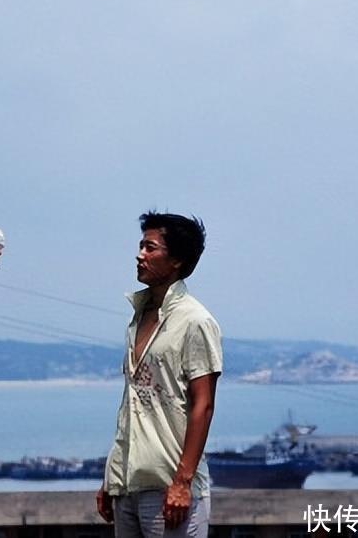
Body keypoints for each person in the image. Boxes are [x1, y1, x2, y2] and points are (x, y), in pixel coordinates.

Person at [97, 212, 223, 538]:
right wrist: (111, 477)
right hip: (127, 482)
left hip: (170, 486)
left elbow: (203, 404)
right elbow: (133, 405)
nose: (140, 255)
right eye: (141, 246)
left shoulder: (195, 321)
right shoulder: (138, 316)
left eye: (150, 248)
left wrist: (182, 482)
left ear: (177, 260)